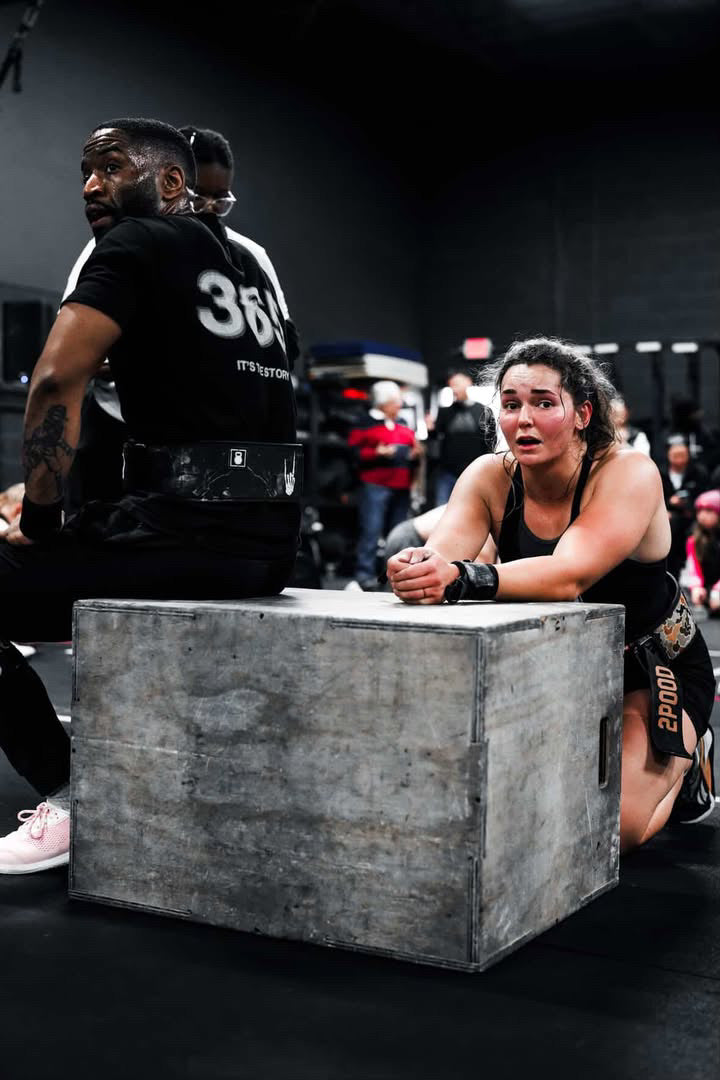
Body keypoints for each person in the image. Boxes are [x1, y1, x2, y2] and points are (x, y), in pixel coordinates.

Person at [0, 117, 301, 874]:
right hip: (266, 547)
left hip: (183, 538)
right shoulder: (250, 267)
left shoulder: (129, 245)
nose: (91, 186)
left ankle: (73, 790)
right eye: (85, 171)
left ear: (170, 183)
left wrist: (41, 516)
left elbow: (55, 380)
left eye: (109, 167)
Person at [387, 336, 716, 849]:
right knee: (521, 809)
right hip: (557, 663)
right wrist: (414, 570)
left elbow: (568, 576)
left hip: (652, 668)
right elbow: (443, 563)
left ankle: (690, 761)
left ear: (583, 414)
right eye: (512, 404)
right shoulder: (489, 476)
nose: (523, 419)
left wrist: (463, 577)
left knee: (615, 826)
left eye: (544, 403)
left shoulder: (627, 471)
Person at [62, 125, 297, 511]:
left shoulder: (248, 255)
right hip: (117, 424)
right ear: (170, 182)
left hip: (204, 443)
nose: (205, 209)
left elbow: (283, 349)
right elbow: (73, 360)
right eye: (196, 196)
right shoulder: (113, 244)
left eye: (218, 201)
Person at [347, 380, 422, 591]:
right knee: (371, 532)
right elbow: (353, 454)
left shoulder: (403, 425)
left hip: (401, 486)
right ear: (383, 403)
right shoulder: (364, 423)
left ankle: (395, 577)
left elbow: (413, 455)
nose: (399, 405)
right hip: (375, 485)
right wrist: (375, 453)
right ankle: (365, 576)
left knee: (398, 535)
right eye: (395, 401)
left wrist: (415, 455)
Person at [427, 370, 496, 506]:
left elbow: (491, 441)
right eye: (451, 385)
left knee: (473, 508)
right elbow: (435, 437)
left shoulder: (483, 411)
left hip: (474, 471)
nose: (454, 388)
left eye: (457, 384)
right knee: (441, 509)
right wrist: (430, 430)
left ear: (468, 383)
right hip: (447, 470)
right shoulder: (445, 412)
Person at [660, 436, 709, 580]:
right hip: (668, 517)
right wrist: (670, 502)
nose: (679, 459)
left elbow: (703, 495)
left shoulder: (698, 472)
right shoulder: (660, 472)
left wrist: (688, 504)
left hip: (692, 516)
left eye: (683, 455)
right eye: (676, 455)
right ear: (668, 455)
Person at [682, 490, 720, 614]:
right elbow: (693, 567)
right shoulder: (693, 539)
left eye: (708, 511)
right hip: (707, 586)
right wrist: (696, 587)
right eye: (699, 511)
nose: (702, 515)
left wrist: (717, 590)